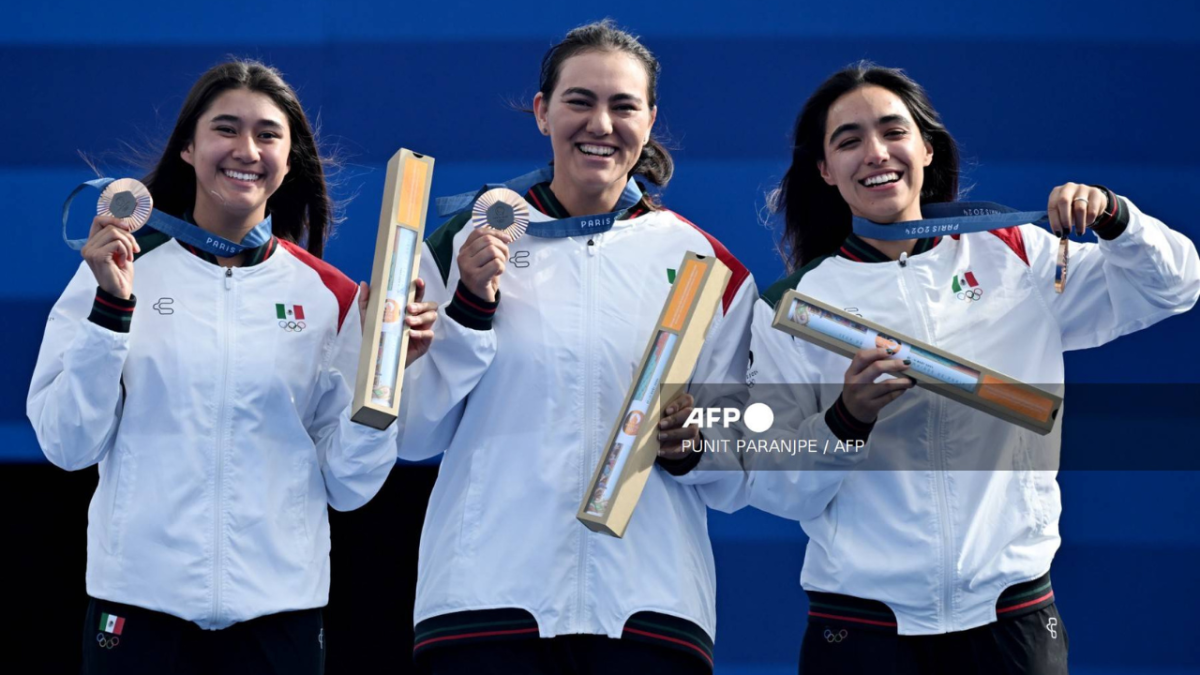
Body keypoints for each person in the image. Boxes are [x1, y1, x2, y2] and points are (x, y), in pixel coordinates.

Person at [744, 62, 1199, 674]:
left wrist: (1119, 220)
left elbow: (1174, 287)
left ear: (927, 148)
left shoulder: (1017, 254)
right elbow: (772, 483)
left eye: (893, 132)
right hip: (861, 631)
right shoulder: (788, 309)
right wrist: (845, 419)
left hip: (1013, 623)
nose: (875, 153)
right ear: (824, 170)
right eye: (848, 141)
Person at [27, 59, 438, 675]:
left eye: (268, 134)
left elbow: (349, 486)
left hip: (279, 617)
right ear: (189, 147)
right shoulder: (116, 272)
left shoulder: (331, 297)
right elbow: (67, 444)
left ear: (289, 157)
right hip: (138, 608)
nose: (246, 149)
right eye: (226, 128)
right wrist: (111, 311)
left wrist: (385, 383)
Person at [398, 21, 755, 675]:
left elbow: (738, 475)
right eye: (579, 100)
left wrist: (696, 444)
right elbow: (412, 434)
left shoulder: (705, 265)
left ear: (650, 120)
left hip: (648, 606)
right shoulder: (462, 242)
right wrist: (472, 304)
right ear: (542, 112)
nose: (601, 122)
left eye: (623, 105)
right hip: (484, 601)